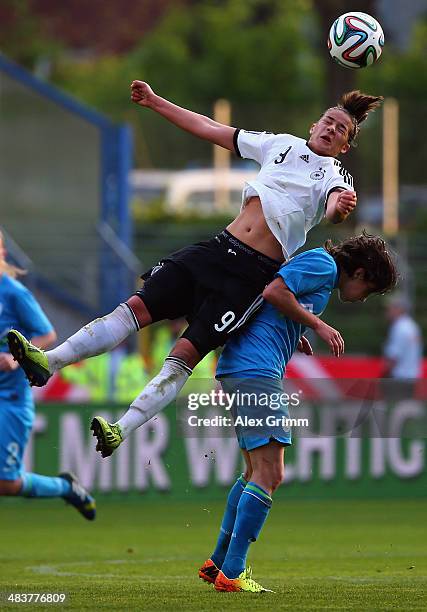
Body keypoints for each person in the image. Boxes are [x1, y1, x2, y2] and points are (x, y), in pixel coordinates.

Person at [8, 84, 383, 458]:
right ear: (314, 124)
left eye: (341, 131)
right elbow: (210, 128)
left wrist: (340, 207)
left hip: (250, 277)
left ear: (344, 147)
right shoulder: (280, 145)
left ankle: (119, 430)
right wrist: (156, 102)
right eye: (329, 121)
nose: (332, 129)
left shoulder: (334, 172)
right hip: (216, 250)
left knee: (183, 355)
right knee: (134, 310)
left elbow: (335, 205)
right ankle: (49, 362)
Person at [197, 232, 397, 592]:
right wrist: (316, 323)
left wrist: (294, 329)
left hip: (244, 367)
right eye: (369, 289)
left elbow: (273, 299)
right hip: (255, 370)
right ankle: (233, 573)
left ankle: (218, 562)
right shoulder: (323, 264)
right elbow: (274, 291)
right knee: (270, 474)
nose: (363, 298)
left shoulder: (320, 268)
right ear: (361, 272)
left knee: (255, 470)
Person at [0, 230, 96, 520]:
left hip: (10, 400)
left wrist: (16, 358)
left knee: (6, 483)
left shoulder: (14, 293)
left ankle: (65, 487)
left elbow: (47, 334)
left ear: (2, 253)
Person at [383, 294, 423, 379]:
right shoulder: (412, 326)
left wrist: (384, 375)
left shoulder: (399, 327)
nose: (387, 312)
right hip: (412, 376)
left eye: (389, 308)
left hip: (399, 377)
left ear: (399, 309)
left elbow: (393, 357)